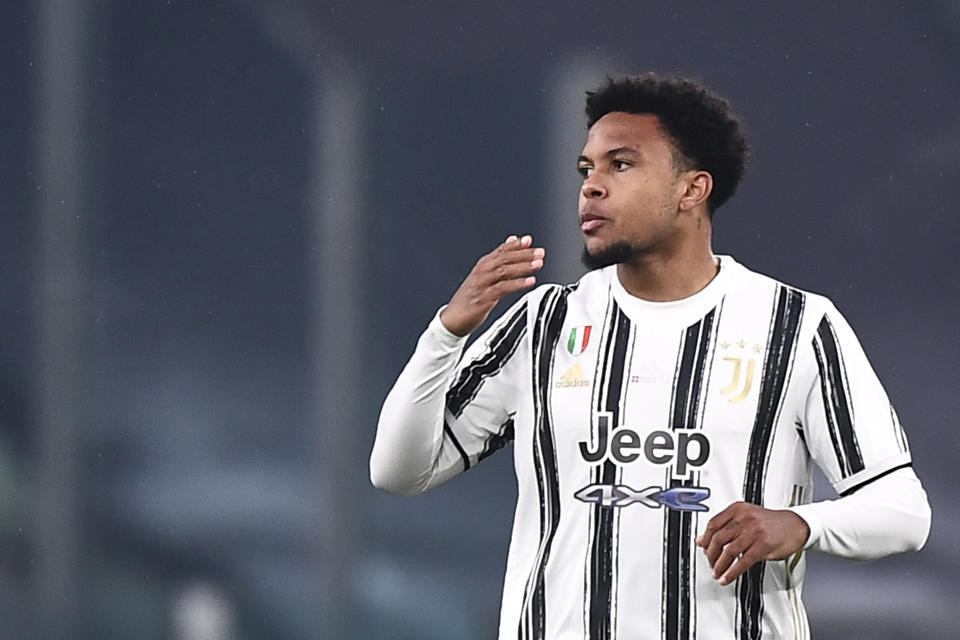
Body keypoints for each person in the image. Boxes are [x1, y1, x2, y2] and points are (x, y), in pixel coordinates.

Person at [369, 74, 931, 640]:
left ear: (692, 189)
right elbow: (398, 471)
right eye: (587, 169)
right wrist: (447, 332)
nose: (591, 187)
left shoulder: (796, 326)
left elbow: (903, 512)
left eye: (621, 164)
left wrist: (799, 524)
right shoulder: (544, 322)